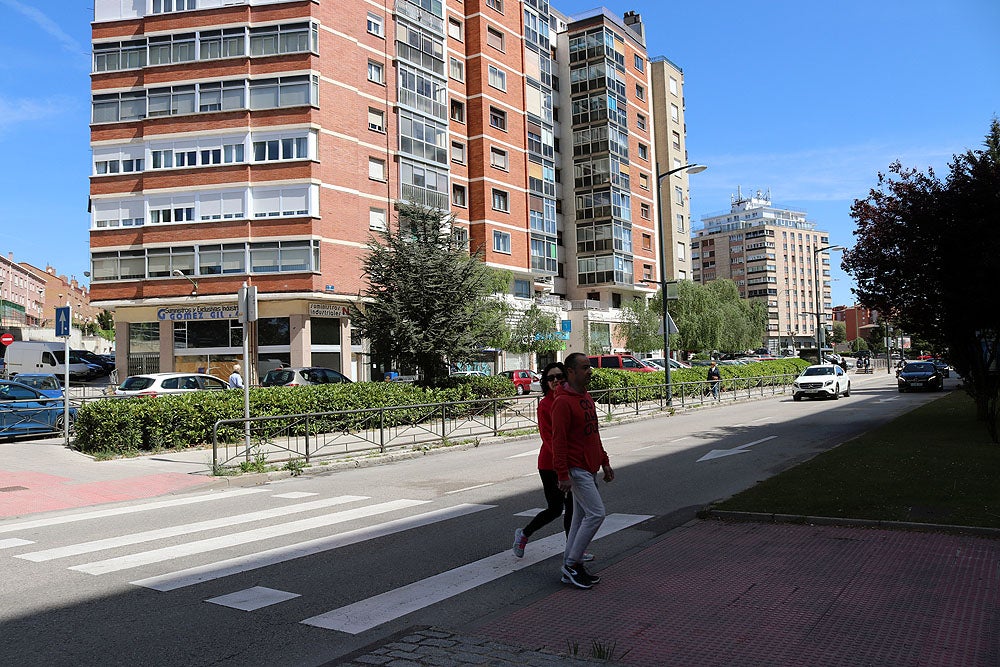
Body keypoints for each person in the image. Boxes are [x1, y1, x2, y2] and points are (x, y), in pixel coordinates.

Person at [512, 362, 594, 563]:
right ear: (546, 382)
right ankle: (524, 533)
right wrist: (562, 465)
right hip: (550, 465)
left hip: (571, 464)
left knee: (573, 509)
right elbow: (549, 439)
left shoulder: (572, 399)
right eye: (551, 378)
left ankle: (573, 551)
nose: (556, 381)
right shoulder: (545, 405)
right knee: (555, 508)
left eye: (560, 377)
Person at [551, 352, 614, 589]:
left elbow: (593, 434)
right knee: (596, 514)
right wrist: (562, 474)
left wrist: (604, 461)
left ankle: (572, 564)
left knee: (579, 518)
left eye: (589, 367)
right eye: (585, 367)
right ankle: (571, 564)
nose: (590, 371)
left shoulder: (586, 397)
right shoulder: (562, 402)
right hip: (576, 468)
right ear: (571, 371)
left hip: (589, 467)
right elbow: (559, 441)